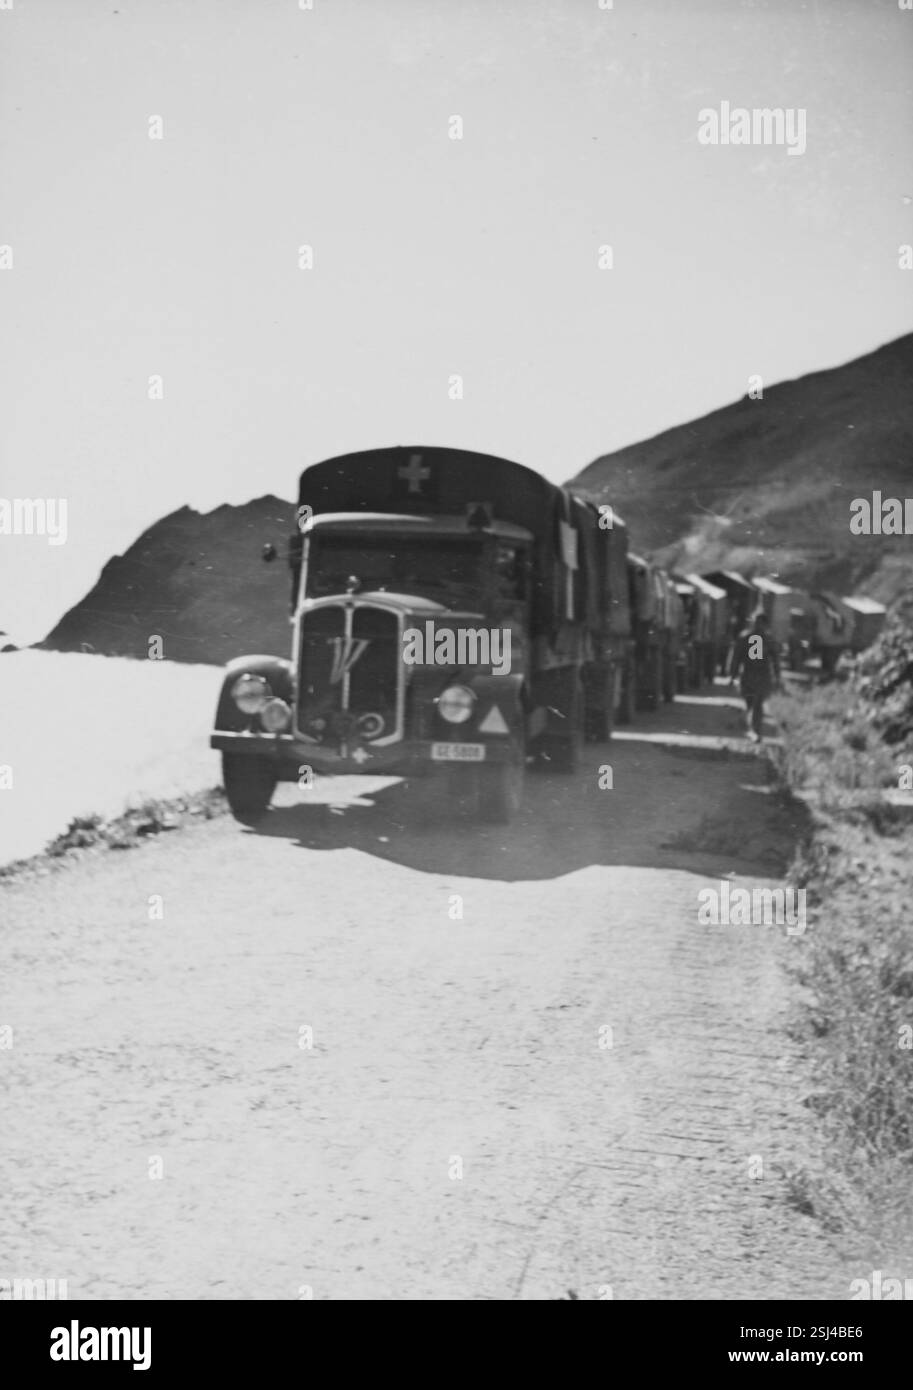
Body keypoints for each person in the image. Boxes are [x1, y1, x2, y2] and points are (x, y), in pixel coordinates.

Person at [730, 610, 780, 742]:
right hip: (751, 676)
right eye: (756, 623)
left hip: (759, 677)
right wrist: (733, 674)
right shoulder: (750, 638)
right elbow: (737, 658)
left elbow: (775, 660)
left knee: (756, 704)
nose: (758, 626)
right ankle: (752, 728)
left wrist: (777, 676)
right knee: (752, 704)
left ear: (765, 625)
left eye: (760, 623)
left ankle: (755, 730)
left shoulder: (763, 639)